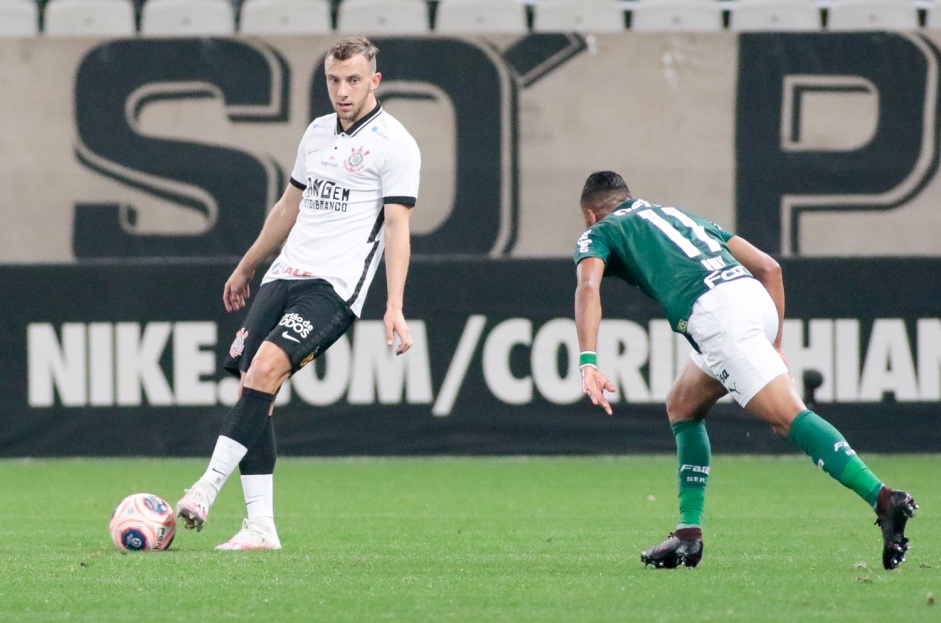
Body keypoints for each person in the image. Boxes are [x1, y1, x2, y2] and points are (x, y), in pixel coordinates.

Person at [573, 170, 917, 570]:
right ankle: (687, 534)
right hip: (754, 299)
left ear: (590, 215)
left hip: (718, 316)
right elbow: (770, 268)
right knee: (683, 405)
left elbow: (587, 288)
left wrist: (588, 361)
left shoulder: (600, 231)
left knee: (788, 419)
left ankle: (883, 498)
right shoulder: (678, 216)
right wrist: (774, 344)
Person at [175, 36, 421, 550]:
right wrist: (247, 266)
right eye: (334, 80)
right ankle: (261, 528)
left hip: (333, 288)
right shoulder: (315, 133)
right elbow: (288, 208)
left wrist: (393, 304)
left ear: (374, 80)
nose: (343, 90)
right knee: (254, 389)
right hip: (282, 275)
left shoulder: (395, 143)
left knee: (264, 370)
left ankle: (206, 487)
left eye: (354, 80)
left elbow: (398, 229)